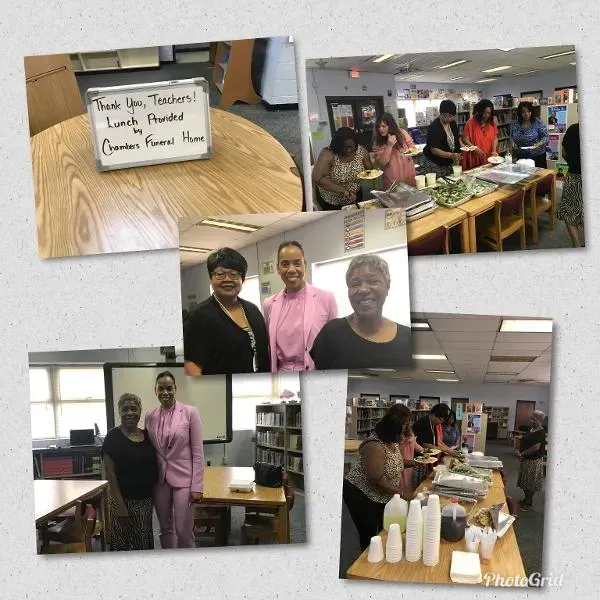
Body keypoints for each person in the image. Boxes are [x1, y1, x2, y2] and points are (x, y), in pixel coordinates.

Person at [309, 254, 412, 370]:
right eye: (355, 284)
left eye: (373, 281)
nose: (363, 289)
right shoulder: (330, 334)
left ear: (387, 286)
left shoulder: (409, 338)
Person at [184, 248, 270, 375]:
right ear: (211, 278)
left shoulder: (253, 310)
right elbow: (191, 365)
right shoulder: (199, 316)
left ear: (242, 279)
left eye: (234, 274)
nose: (227, 279)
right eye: (220, 274)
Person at [343, 404, 417, 550]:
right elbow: (377, 478)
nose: (406, 431)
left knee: (384, 527)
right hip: (361, 494)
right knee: (369, 534)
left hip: (381, 495)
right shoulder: (374, 445)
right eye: (403, 427)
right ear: (393, 428)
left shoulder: (391, 441)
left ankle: (381, 554)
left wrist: (414, 463)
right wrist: (402, 492)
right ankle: (366, 562)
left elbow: (395, 462)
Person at [145, 371, 205, 548]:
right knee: (165, 528)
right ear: (155, 391)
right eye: (161, 388)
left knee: (183, 529)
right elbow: (149, 450)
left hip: (185, 480)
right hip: (160, 480)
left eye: (169, 388)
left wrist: (197, 486)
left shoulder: (190, 412)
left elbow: (198, 452)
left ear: (175, 389)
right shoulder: (149, 416)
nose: (165, 392)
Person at [263, 241, 337, 371]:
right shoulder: (269, 304)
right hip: (281, 378)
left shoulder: (326, 298)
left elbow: (334, 346)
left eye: (297, 263)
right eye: (285, 264)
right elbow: (270, 349)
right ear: (278, 268)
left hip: (315, 375)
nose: (291, 270)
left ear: (305, 265)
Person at [102, 393, 158, 551]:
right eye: (125, 409)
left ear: (140, 411)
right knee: (122, 544)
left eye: (134, 409)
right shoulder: (112, 436)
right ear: (119, 412)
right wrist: (120, 506)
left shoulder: (147, 436)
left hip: (144, 502)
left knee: (142, 543)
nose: (129, 413)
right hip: (121, 501)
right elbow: (110, 473)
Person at [313, 127, 374, 209]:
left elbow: (370, 169)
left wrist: (371, 173)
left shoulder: (361, 151)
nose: (348, 150)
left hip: (355, 196)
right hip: (332, 201)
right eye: (345, 147)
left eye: (351, 147)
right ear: (337, 145)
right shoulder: (328, 154)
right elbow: (318, 178)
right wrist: (344, 191)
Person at [371, 112, 417, 188]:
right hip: (392, 180)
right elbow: (382, 162)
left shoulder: (402, 133)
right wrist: (389, 146)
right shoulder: (377, 141)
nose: (380, 129)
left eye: (383, 126)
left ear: (390, 126)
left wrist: (409, 152)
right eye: (378, 127)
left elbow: (413, 149)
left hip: (409, 175)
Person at [557, 123, 583, 247]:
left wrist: (573, 164)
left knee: (568, 212)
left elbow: (564, 153)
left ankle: (576, 244)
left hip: (574, 175)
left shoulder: (573, 129)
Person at [421, 99, 462, 177]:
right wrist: (451, 155)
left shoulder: (452, 123)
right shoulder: (434, 127)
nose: (451, 118)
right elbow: (434, 150)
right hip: (434, 163)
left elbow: (456, 140)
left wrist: (457, 157)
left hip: (448, 162)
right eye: (449, 116)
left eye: (453, 116)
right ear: (441, 114)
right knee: (437, 184)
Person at [515, 410, 547, 511]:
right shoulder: (531, 429)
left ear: (539, 420)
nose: (531, 420)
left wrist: (522, 453)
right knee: (524, 481)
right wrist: (517, 450)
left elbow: (536, 447)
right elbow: (524, 440)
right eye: (531, 417)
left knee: (531, 483)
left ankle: (529, 502)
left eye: (533, 418)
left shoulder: (541, 432)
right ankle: (526, 499)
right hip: (525, 459)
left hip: (534, 461)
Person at [460, 99, 499, 169]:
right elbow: (464, 139)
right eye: (484, 112)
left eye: (489, 113)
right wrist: (474, 148)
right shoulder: (471, 122)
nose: (486, 115)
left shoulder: (491, 122)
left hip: (489, 156)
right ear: (479, 111)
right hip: (475, 157)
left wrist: (494, 150)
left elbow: (495, 137)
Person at [510, 101, 548, 168]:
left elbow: (545, 137)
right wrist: (513, 142)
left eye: (528, 111)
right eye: (523, 112)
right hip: (521, 156)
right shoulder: (515, 125)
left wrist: (540, 143)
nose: (526, 114)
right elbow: (512, 137)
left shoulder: (538, 122)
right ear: (520, 113)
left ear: (531, 112)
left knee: (538, 176)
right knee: (524, 177)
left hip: (537, 156)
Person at [399, 430, 425, 497]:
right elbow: (394, 452)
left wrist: (427, 452)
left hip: (410, 466)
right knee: (401, 493)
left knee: (409, 489)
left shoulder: (411, 433)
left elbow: (415, 444)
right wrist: (406, 443)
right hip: (400, 467)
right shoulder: (397, 435)